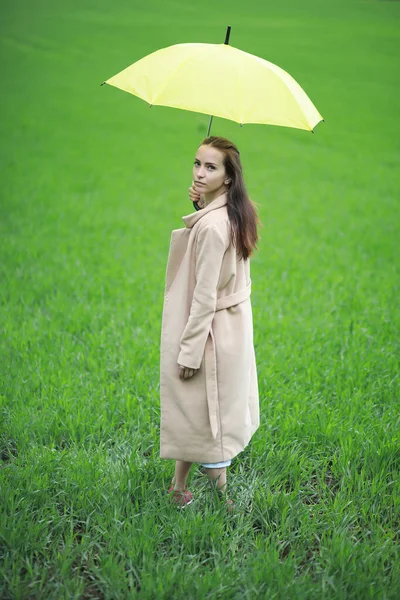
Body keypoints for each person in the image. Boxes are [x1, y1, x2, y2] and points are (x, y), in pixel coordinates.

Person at [159, 135, 261, 509]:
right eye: (197, 163)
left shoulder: (213, 227)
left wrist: (189, 351)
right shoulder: (235, 212)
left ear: (229, 177)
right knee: (197, 409)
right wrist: (200, 204)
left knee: (211, 417)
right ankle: (177, 488)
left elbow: (202, 296)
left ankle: (222, 501)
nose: (200, 172)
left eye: (211, 167)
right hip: (231, 326)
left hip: (212, 334)